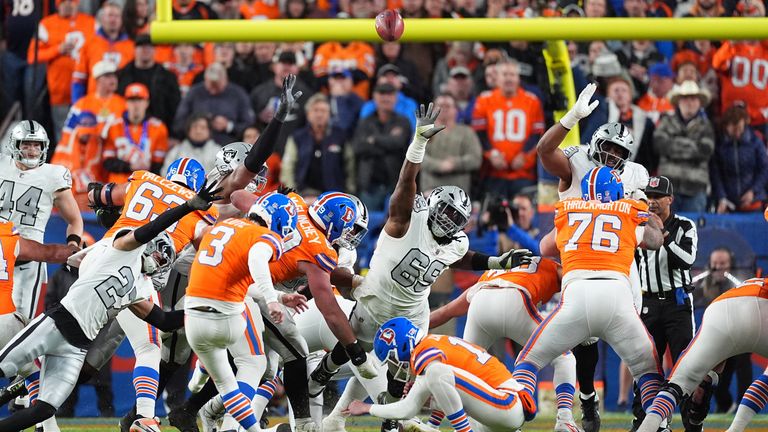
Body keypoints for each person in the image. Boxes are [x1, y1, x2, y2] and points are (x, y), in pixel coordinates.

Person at [311, 103, 533, 432]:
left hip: (413, 314)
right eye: (444, 211)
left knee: (399, 374)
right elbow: (405, 184)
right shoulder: (407, 219)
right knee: (356, 355)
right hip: (375, 302)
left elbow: (459, 255)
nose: (447, 220)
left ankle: (362, 420)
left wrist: (493, 262)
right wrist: (419, 144)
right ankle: (328, 380)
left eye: (455, 218)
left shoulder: (454, 242)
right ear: (431, 204)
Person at [0, 180, 220, 432]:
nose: (162, 261)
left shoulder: (139, 288)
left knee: (45, 408)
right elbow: (151, 228)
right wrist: (188, 206)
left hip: (77, 347)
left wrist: (205, 311)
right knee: (3, 366)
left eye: (165, 259)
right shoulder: (123, 247)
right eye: (161, 254)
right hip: (56, 324)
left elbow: (163, 321)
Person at [536, 82, 650, 432]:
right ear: (596, 145)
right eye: (608, 150)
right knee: (583, 334)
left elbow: (644, 216)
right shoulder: (577, 158)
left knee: (633, 330)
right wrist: (571, 118)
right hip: (576, 252)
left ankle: (642, 411)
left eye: (619, 153)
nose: (612, 158)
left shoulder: (635, 175)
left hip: (617, 258)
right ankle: (586, 397)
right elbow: (544, 150)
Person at [512, 166, 665, 426]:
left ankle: (515, 409)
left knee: (527, 362)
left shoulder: (570, 210)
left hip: (577, 297)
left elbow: (545, 247)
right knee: (648, 371)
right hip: (617, 297)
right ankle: (658, 424)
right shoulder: (628, 212)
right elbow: (655, 239)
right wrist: (641, 207)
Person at [184, 192, 302, 432]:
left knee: (227, 386)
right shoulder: (263, 235)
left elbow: (240, 280)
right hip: (226, 318)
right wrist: (272, 300)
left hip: (193, 320)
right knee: (254, 362)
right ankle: (204, 372)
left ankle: (201, 373)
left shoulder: (224, 226)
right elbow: (258, 260)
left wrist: (279, 296)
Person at [429, 258, 580, 431]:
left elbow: (446, 312)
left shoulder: (491, 274)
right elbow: (575, 284)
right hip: (516, 298)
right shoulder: (554, 267)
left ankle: (440, 425)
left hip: (481, 302)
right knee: (564, 358)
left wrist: (416, 327)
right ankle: (564, 420)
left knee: (462, 372)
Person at [343, 317, 529, 431]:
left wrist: (367, 408)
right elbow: (448, 390)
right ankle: (433, 427)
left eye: (392, 360)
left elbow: (407, 409)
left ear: (402, 347)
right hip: (496, 412)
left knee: (436, 374)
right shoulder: (433, 344)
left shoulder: (425, 353)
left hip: (506, 403)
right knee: (436, 380)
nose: (394, 367)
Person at [634, 277, 768, 432]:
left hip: (721, 308)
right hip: (761, 308)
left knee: (676, 384)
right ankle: (733, 428)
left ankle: (704, 385)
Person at [631, 176, 699, 429]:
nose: (652, 202)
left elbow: (687, 260)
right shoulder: (639, 225)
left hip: (677, 303)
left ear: (670, 199)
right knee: (646, 366)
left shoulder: (685, 225)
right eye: (648, 197)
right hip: (648, 303)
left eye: (657, 197)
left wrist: (663, 233)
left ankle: (691, 423)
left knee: (685, 365)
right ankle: (642, 421)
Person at [1, 121, 83, 324]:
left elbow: (74, 219)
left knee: (17, 323)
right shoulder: (2, 164)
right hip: (0, 254)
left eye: (37, 145)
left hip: (27, 262)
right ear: (14, 144)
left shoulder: (53, 176)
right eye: (26, 144)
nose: (32, 150)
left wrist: (73, 245)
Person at [472, 60, 544, 198]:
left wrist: (524, 155)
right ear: (497, 78)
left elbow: (537, 134)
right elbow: (479, 132)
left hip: (523, 172)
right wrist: (492, 154)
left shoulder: (532, 101)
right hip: (493, 172)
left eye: (512, 74)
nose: (509, 78)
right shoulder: (484, 100)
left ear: (518, 78)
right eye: (505, 74)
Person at [27, 0, 96, 141]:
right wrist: (57, 50)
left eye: (71, 1)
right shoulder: (47, 24)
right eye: (63, 1)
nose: (68, 4)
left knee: (90, 135)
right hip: (60, 91)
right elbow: (32, 57)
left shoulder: (91, 23)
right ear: (57, 4)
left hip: (88, 92)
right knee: (64, 136)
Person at [654, 81, 714, 213]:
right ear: (678, 102)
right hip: (668, 189)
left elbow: (705, 150)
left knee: (692, 230)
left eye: (693, 99)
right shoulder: (666, 121)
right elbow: (661, 145)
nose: (689, 103)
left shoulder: (706, 126)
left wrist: (675, 144)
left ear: (699, 103)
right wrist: (692, 145)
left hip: (695, 190)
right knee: (664, 229)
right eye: (685, 98)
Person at [351, 83, 411, 211]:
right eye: (382, 94)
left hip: (395, 184)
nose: (386, 98)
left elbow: (399, 144)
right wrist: (388, 143)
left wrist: (374, 140)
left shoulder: (403, 121)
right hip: (370, 185)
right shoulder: (365, 121)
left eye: (389, 94)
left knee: (396, 228)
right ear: (374, 97)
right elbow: (358, 147)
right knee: (366, 226)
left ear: (396, 98)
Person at [280, 93, 354, 194]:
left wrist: (349, 192)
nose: (319, 114)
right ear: (308, 114)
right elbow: (287, 167)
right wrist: (293, 193)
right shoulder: (297, 137)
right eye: (315, 110)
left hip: (334, 194)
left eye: (323, 111)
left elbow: (350, 165)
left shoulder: (340, 136)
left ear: (329, 114)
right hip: (303, 193)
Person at [102, 83, 169, 184]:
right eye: (132, 100)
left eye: (139, 100)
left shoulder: (159, 128)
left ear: (147, 103)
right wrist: (130, 166)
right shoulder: (113, 126)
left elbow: (159, 163)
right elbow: (107, 162)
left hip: (145, 184)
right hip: (118, 184)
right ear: (126, 102)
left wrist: (146, 168)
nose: (136, 104)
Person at [173, 62, 255, 145]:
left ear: (225, 79)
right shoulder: (194, 93)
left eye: (217, 86)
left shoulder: (239, 94)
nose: (213, 91)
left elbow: (250, 125)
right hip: (195, 145)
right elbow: (179, 122)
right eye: (210, 86)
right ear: (205, 79)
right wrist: (196, 126)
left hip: (228, 146)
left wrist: (228, 126)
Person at [72, 0, 134, 102]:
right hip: (94, 104)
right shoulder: (88, 44)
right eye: (110, 15)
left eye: (116, 16)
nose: (113, 20)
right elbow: (79, 79)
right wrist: (78, 106)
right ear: (102, 19)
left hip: (122, 105)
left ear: (122, 19)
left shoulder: (131, 46)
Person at [420, 93, 482, 195]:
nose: (444, 109)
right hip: (429, 192)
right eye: (440, 106)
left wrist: (455, 163)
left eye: (448, 106)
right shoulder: (424, 132)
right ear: (433, 109)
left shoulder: (467, 132)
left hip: (458, 193)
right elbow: (417, 156)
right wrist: (439, 166)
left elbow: (475, 158)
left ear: (456, 110)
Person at [710, 104, 768, 214]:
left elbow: (764, 168)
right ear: (726, 126)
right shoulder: (719, 145)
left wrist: (753, 191)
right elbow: (716, 174)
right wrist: (722, 197)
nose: (737, 133)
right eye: (733, 129)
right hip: (728, 204)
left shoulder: (755, 141)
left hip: (754, 202)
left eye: (740, 129)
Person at [117, 34, 182, 127]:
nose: (145, 50)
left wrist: (172, 134)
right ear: (135, 49)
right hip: (126, 129)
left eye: (149, 47)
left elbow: (175, 107)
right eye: (141, 46)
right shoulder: (121, 75)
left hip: (160, 129)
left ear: (155, 50)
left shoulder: (168, 77)